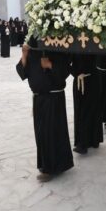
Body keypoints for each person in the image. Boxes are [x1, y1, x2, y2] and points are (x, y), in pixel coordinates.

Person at [16, 39, 73, 181]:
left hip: (53, 98)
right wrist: (24, 54)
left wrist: (50, 65)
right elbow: (23, 73)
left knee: (52, 132)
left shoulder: (57, 45)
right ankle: (46, 164)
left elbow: (66, 70)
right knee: (41, 133)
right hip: (38, 98)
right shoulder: (33, 47)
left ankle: (52, 168)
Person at [70, 54, 103, 155]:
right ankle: (86, 141)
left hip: (92, 79)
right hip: (80, 81)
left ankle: (89, 141)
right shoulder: (73, 43)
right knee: (80, 111)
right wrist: (75, 72)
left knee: (91, 110)